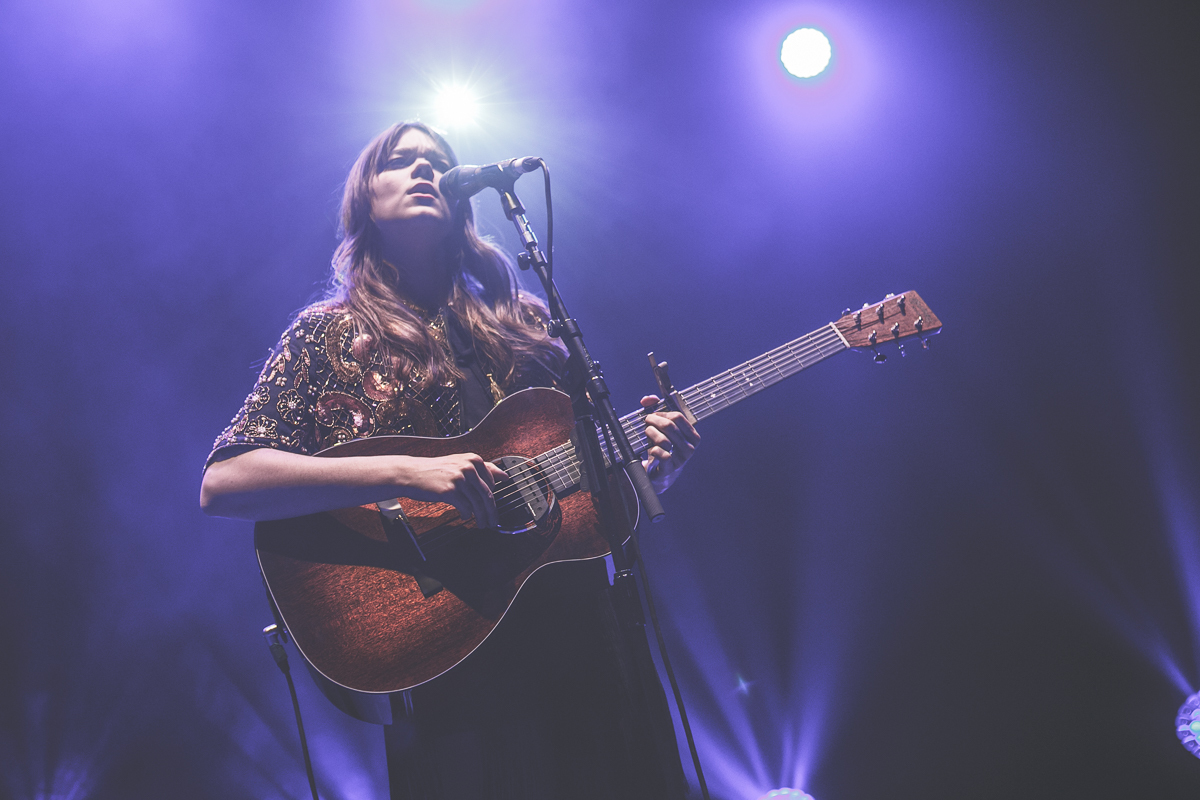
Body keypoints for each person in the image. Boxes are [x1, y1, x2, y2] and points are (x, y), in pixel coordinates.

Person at [200, 121, 700, 799]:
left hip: (581, 640)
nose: (425, 171)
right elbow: (226, 483)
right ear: (363, 200)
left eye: (439, 163)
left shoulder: (527, 327)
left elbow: (586, 498)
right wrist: (407, 471)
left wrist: (648, 469)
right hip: (446, 661)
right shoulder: (330, 332)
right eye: (400, 163)